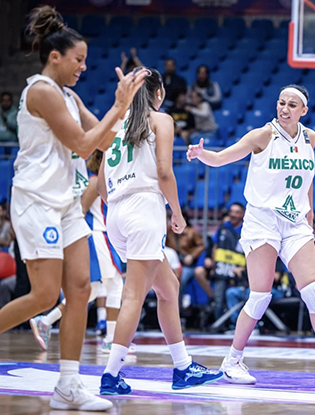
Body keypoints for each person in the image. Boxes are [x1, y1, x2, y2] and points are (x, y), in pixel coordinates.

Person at [0, 5, 146, 411]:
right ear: (55, 57)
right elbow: (81, 145)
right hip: (36, 201)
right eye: (78, 60)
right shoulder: (42, 91)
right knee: (45, 294)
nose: (83, 66)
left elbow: (104, 142)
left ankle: (68, 385)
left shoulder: (68, 94)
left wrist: (135, 110)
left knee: (80, 289)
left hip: (64, 203)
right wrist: (117, 107)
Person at [187, 84, 315, 388]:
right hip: (263, 220)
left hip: (295, 222)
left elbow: (308, 178)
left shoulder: (310, 137)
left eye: (293, 105)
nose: (285, 108)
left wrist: (310, 212)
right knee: (260, 294)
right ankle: (233, 361)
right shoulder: (262, 135)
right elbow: (222, 158)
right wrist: (202, 155)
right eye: (281, 102)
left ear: (304, 111)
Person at [97, 67, 222, 395]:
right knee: (134, 296)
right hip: (143, 208)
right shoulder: (160, 119)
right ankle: (110, 375)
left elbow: (100, 183)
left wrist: (120, 210)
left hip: (117, 213)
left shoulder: (115, 124)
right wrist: (177, 214)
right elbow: (165, 172)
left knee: (168, 288)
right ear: (159, 94)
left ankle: (183, 367)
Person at [29, 151, 129, 355]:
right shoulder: (94, 182)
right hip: (96, 235)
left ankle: (45, 321)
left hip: (102, 236)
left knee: (91, 291)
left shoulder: (107, 179)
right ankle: (111, 340)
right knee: (116, 284)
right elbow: (81, 212)